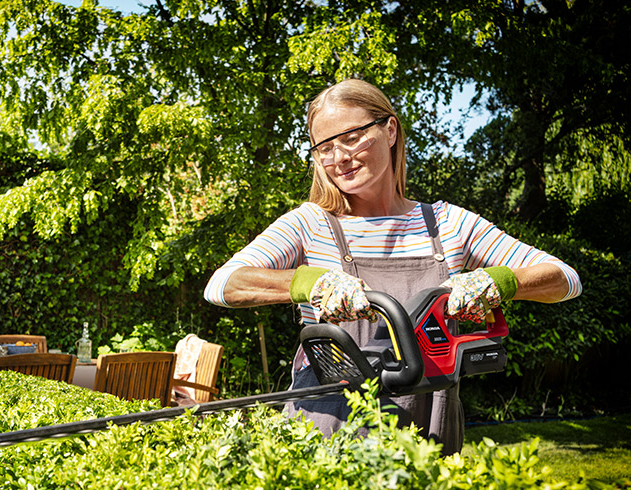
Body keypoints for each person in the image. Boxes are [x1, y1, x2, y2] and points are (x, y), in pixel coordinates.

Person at [203, 79, 581, 455]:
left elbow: (565, 279)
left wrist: (495, 280)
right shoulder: (310, 224)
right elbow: (223, 284)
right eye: (325, 148)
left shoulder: (447, 224)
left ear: (390, 130)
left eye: (351, 137)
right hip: (326, 424)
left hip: (427, 421)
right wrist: (311, 283)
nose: (339, 157)